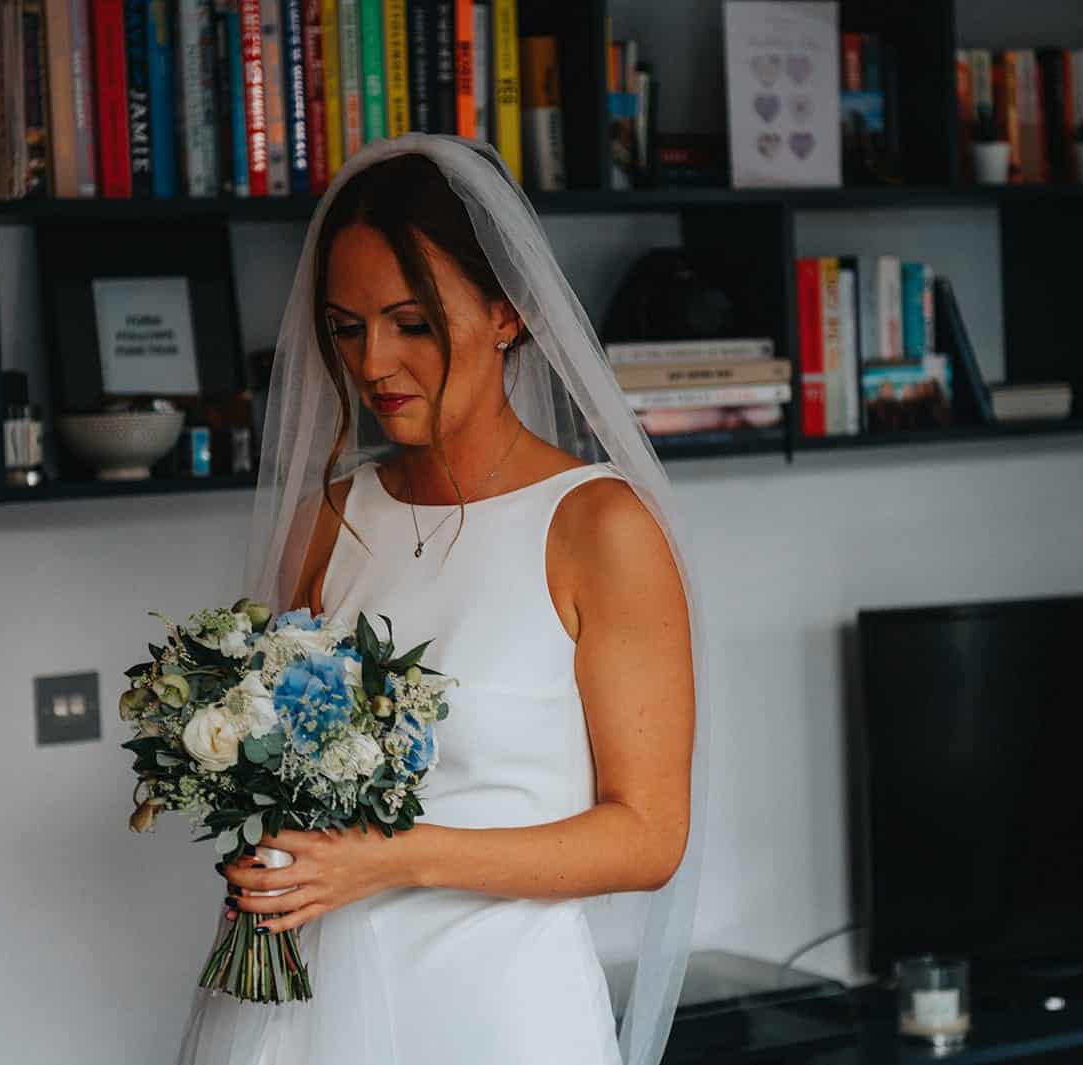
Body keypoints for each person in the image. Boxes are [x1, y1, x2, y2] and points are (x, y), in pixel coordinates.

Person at [178, 134, 711, 1065]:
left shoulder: (598, 529)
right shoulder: (329, 522)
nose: (374, 362)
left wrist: (392, 856)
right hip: (315, 1012)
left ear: (506, 314)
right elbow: (280, 776)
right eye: (347, 327)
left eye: (411, 321)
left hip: (502, 1018)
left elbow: (647, 838)